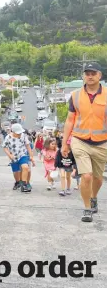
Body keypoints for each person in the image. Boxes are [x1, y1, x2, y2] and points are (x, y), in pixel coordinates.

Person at [61, 62, 107, 222]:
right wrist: (64, 143)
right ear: (83, 76)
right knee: (86, 176)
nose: (90, 76)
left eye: (93, 73)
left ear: (99, 75)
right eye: (87, 73)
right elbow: (69, 120)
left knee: (98, 178)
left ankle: (94, 197)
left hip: (102, 143)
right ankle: (87, 208)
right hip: (80, 140)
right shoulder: (75, 95)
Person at [2, 123, 35, 192]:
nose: (19, 134)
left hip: (22, 155)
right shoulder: (8, 137)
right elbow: (4, 147)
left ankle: (24, 185)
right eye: (18, 133)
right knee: (16, 172)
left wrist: (31, 156)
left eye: (20, 132)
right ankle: (17, 182)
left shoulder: (23, 136)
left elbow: (28, 146)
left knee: (25, 167)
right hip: (13, 157)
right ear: (13, 132)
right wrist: (9, 155)